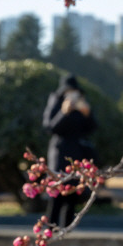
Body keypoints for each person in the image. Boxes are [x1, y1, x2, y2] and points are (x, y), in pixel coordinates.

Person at [43, 74, 97, 227]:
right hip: (60, 155)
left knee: (72, 198)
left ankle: (67, 233)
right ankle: (51, 231)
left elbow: (91, 128)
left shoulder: (81, 105)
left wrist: (88, 114)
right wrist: (63, 113)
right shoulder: (56, 102)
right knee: (57, 196)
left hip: (77, 155)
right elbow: (50, 127)